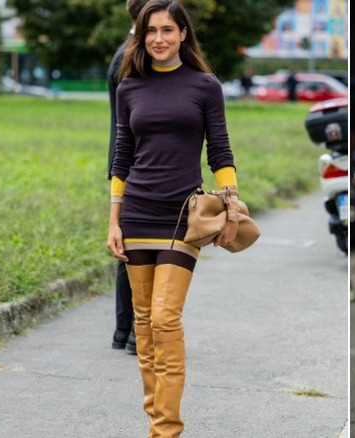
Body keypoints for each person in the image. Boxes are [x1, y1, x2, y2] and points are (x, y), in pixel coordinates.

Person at [106, 0, 239, 435]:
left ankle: (167, 431)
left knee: (164, 319)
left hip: (182, 216)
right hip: (137, 215)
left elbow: (219, 150)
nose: (159, 38)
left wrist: (232, 206)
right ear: (141, 35)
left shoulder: (205, 86)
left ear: (184, 34)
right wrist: (114, 221)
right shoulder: (130, 87)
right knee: (143, 325)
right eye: (151, 31)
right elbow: (121, 156)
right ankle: (157, 423)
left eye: (167, 30)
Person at [107, 0, 148, 355]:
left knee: (131, 249)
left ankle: (126, 330)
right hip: (133, 163)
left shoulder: (125, 51)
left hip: (130, 161)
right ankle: (133, 328)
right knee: (132, 251)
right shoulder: (130, 58)